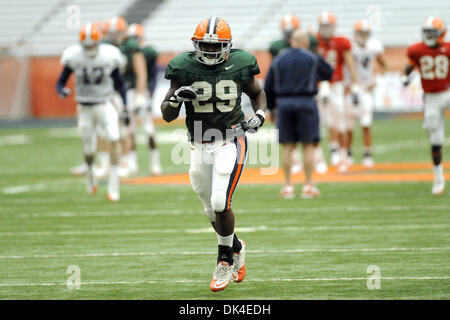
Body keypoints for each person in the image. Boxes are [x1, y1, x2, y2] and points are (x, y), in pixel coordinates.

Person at [161, 17, 267, 291]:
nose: (209, 51)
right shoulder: (183, 67)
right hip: (198, 141)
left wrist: (260, 114)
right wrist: (175, 100)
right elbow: (167, 114)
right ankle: (236, 246)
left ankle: (223, 260)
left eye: (215, 46)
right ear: (196, 45)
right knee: (208, 204)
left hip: (230, 139)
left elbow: (257, 92)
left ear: (227, 46)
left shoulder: (241, 63)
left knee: (221, 200)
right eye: (205, 46)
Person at [56, 23, 129, 202]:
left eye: (92, 44)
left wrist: (125, 106)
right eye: (86, 45)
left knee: (114, 137)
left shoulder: (109, 55)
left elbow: (120, 82)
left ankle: (114, 181)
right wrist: (61, 91)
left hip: (105, 103)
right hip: (84, 106)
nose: (89, 49)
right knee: (89, 150)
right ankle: (90, 172)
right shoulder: (73, 56)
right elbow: (61, 81)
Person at [265, 29, 333, 199]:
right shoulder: (311, 57)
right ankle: (308, 185)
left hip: (284, 104)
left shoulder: (279, 59)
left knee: (288, 146)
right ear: (305, 42)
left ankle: (287, 185)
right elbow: (329, 73)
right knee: (308, 145)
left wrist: (272, 108)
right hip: (306, 102)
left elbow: (268, 86)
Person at [268, 14, 327, 174]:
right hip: (302, 98)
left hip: (291, 99)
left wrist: (271, 106)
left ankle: (290, 183)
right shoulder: (278, 49)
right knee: (306, 140)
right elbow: (327, 71)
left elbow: (269, 82)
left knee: (293, 141)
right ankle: (307, 179)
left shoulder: (306, 48)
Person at [404, 16, 450, 195]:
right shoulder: (417, 50)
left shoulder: (447, 49)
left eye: (432, 32)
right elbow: (410, 66)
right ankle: (438, 178)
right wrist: (405, 76)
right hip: (431, 97)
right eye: (427, 32)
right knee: (436, 140)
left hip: (448, 91)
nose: (429, 36)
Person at [316, 11, 360, 172]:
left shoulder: (341, 42)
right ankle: (321, 158)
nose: (326, 29)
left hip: (336, 85)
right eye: (323, 26)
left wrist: (355, 84)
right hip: (318, 86)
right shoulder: (314, 41)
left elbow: (350, 64)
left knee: (340, 120)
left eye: (328, 26)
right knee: (319, 122)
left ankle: (342, 156)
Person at [344, 20, 387, 168]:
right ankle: (348, 154)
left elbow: (383, 64)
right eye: (360, 33)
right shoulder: (349, 47)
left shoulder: (374, 47)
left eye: (365, 33)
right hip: (351, 88)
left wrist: (377, 79)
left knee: (366, 123)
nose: (363, 36)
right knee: (349, 124)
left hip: (366, 88)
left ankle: (367, 154)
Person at [127, 23, 162, 175]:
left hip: (144, 91)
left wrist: (151, 91)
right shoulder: (126, 51)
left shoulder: (147, 51)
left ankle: (155, 163)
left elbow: (152, 72)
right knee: (130, 129)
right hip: (129, 91)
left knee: (149, 129)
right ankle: (132, 163)